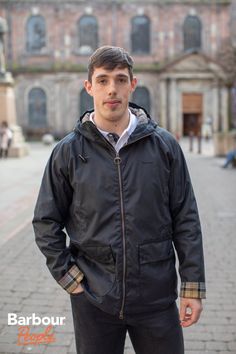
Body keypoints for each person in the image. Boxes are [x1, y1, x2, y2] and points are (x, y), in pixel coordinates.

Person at [33, 46, 206, 354]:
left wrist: (192, 286)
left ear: (132, 84)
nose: (112, 89)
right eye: (102, 80)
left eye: (120, 79)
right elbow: (45, 220)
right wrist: (68, 276)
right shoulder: (68, 152)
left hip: (155, 296)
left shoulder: (164, 147)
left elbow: (186, 217)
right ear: (89, 87)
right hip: (94, 299)